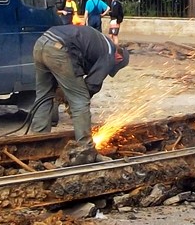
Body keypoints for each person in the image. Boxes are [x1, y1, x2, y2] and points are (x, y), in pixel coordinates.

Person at [30, 25, 130, 164]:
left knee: (44, 96)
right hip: (59, 49)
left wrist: (67, 94)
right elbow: (93, 83)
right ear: (119, 57)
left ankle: (37, 143)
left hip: (41, 43)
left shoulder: (102, 42)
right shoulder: (109, 53)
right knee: (80, 101)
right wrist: (73, 101)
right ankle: (86, 148)